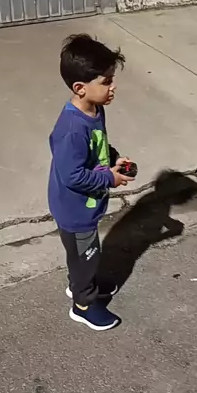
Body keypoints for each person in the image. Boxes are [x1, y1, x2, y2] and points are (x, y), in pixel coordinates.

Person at [48, 34, 131, 331]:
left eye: (112, 79)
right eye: (106, 81)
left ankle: (81, 284)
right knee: (86, 257)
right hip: (75, 210)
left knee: (83, 256)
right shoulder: (72, 129)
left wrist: (113, 158)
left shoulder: (95, 110)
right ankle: (83, 305)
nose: (113, 86)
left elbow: (97, 146)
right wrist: (109, 177)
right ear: (80, 88)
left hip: (86, 205)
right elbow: (72, 175)